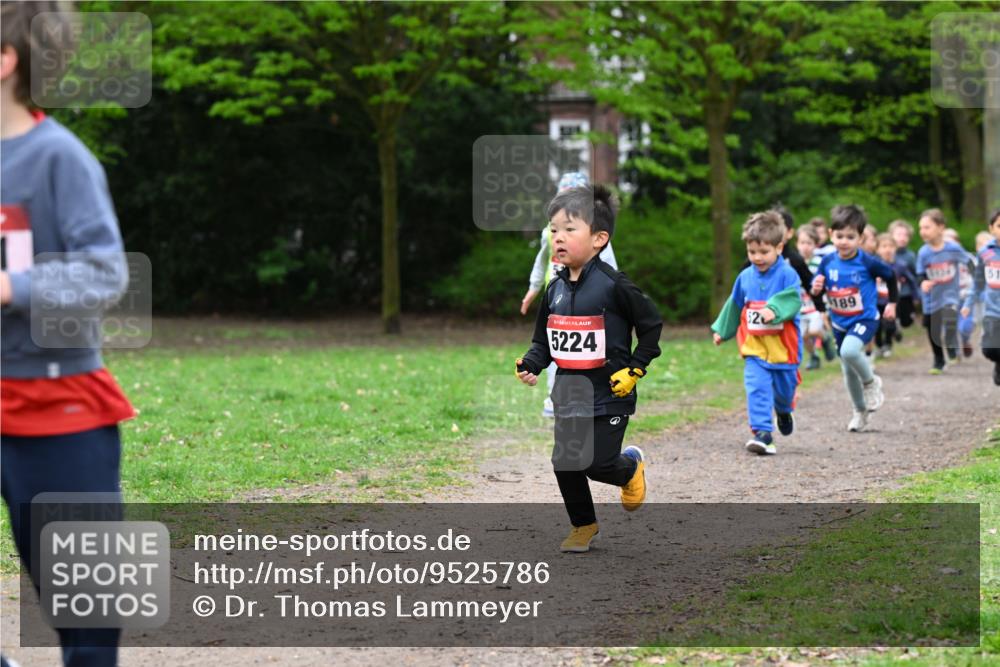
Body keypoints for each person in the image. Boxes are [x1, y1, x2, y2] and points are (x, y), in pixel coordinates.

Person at [1, 3, 134, 666]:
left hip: (56, 412)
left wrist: (13, 287)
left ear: (5, 61)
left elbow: (105, 272)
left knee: (87, 613)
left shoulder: (61, 160)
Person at [515, 185, 662, 553]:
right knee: (565, 461)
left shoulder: (615, 285)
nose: (558, 238)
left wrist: (635, 369)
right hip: (569, 392)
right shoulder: (554, 290)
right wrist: (531, 363)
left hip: (611, 393)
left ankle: (629, 467)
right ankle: (583, 525)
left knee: (597, 463)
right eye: (553, 230)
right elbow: (543, 342)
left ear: (599, 239)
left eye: (569, 229)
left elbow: (651, 327)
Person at [520, 172, 618, 418]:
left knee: (581, 352)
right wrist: (533, 288)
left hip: (587, 303)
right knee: (553, 348)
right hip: (557, 300)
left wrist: (615, 300)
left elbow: (610, 268)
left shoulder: (594, 235)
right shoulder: (548, 234)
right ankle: (555, 398)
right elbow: (541, 261)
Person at [712, 211, 802, 456]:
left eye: (764, 252)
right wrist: (723, 330)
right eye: (752, 252)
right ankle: (762, 433)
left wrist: (775, 309)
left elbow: (793, 299)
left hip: (784, 350)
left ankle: (783, 410)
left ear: (779, 247)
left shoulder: (787, 274)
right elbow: (735, 304)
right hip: (754, 348)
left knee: (784, 394)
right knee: (756, 387)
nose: (757, 258)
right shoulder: (745, 277)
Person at [811, 205, 897, 433]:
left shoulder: (868, 262)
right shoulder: (828, 261)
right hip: (839, 322)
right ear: (831, 234)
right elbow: (817, 291)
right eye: (839, 236)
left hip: (865, 319)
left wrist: (892, 302)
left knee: (849, 352)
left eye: (850, 237)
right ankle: (860, 412)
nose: (844, 242)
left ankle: (871, 382)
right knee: (847, 370)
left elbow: (891, 276)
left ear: (861, 238)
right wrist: (817, 290)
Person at [916, 209, 973, 374]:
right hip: (930, 298)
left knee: (949, 320)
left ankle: (951, 345)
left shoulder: (953, 248)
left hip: (950, 296)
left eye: (927, 227)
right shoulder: (923, 252)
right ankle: (938, 360)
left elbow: (969, 262)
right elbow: (920, 274)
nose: (923, 232)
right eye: (921, 228)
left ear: (940, 227)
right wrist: (924, 282)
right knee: (931, 329)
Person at [962, 210, 1000, 385]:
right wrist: (968, 303)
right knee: (990, 350)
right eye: (999, 226)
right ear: (991, 228)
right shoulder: (985, 252)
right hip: (992, 310)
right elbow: (977, 283)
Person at [794, 224, 835, 369]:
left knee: (814, 330)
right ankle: (814, 356)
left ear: (815, 245)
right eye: (802, 243)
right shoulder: (793, 263)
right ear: (797, 244)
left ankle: (825, 339)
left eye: (809, 243)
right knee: (803, 335)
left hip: (816, 305)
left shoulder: (820, 262)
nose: (805, 247)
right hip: (800, 306)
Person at [874, 233, 916, 357]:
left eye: (891, 246)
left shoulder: (900, 265)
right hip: (876, 300)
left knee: (889, 324)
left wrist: (916, 296)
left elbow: (911, 280)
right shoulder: (874, 265)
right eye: (884, 246)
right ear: (877, 249)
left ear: (895, 248)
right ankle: (880, 345)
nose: (887, 249)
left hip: (892, 301)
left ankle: (888, 345)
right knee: (877, 325)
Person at [944, 227, 978, 358]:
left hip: (966, 296)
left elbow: (977, 275)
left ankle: (965, 340)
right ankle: (955, 352)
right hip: (948, 298)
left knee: (964, 326)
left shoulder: (967, 258)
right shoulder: (941, 260)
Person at [888, 219, 920, 332]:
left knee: (906, 321)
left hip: (906, 293)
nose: (902, 238)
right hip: (889, 293)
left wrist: (916, 294)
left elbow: (916, 275)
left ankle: (904, 321)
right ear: (891, 235)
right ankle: (893, 329)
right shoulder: (887, 252)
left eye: (905, 235)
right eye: (899, 234)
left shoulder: (910, 256)